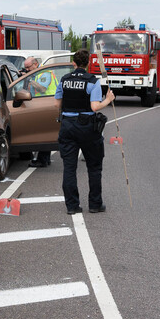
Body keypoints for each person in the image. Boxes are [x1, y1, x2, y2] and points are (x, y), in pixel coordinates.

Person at [54, 49, 115, 214]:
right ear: (88, 63)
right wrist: (108, 100)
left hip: (67, 126)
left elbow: (57, 104)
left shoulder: (64, 80)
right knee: (94, 167)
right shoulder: (92, 81)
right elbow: (95, 107)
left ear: (74, 63)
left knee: (69, 168)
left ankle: (72, 206)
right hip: (87, 127)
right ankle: (95, 204)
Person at [23, 56, 53, 167]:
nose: (27, 70)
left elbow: (42, 89)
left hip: (45, 105)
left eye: (28, 67)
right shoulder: (36, 73)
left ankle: (42, 160)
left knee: (43, 133)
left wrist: (29, 78)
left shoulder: (44, 73)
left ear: (35, 64)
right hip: (39, 105)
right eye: (25, 68)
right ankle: (45, 158)